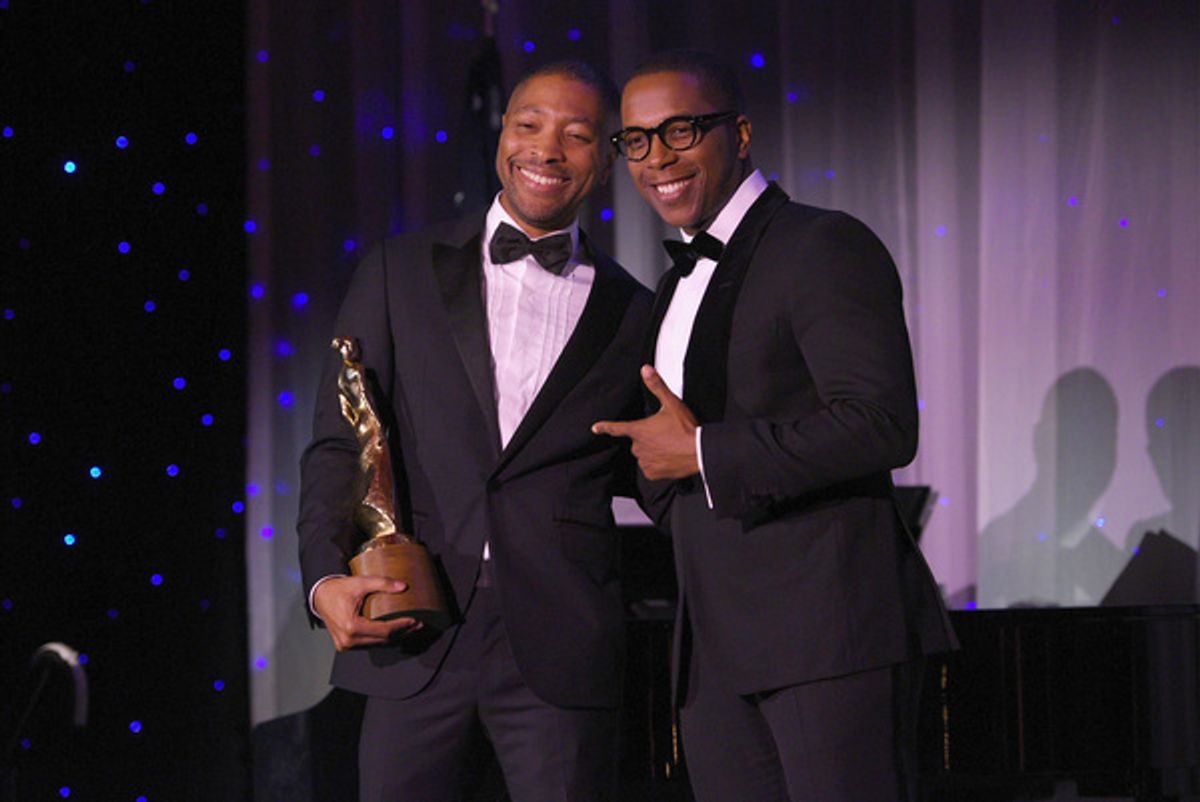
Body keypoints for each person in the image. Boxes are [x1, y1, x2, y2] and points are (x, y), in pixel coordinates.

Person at [593, 50, 957, 802]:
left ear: (743, 133)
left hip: (826, 637)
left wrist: (699, 452)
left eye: (681, 131)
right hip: (713, 651)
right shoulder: (671, 284)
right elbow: (674, 446)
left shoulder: (822, 244)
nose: (656, 158)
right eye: (635, 139)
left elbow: (881, 424)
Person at [298, 61, 652, 802]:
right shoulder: (400, 269)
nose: (547, 150)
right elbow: (343, 440)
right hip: (414, 619)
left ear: (610, 157)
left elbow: (646, 466)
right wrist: (325, 577)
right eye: (529, 126)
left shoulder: (636, 311)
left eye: (578, 136)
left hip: (562, 638)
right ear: (503, 133)